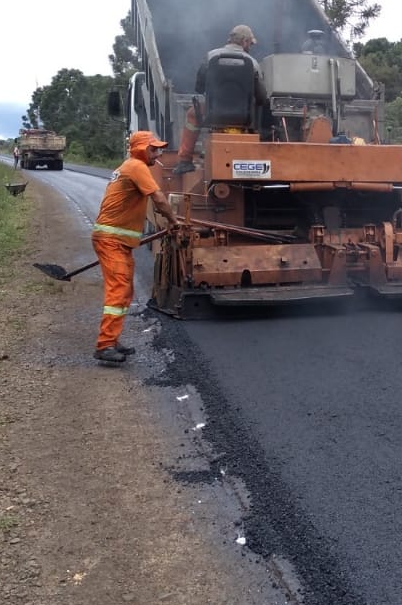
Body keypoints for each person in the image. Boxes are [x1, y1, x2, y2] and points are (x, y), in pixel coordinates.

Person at [91, 130, 182, 363]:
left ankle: (111, 339)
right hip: (111, 240)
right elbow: (159, 199)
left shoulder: (130, 166)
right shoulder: (136, 166)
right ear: (141, 149)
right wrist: (174, 221)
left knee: (125, 290)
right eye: (153, 149)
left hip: (118, 241)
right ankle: (104, 345)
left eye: (158, 148)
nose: (158, 153)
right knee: (118, 289)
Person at [173, 24, 269, 173]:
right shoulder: (253, 63)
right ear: (244, 42)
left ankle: (185, 161)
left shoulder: (210, 56)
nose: (250, 46)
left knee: (192, 114)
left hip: (213, 113)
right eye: (250, 43)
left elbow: (199, 88)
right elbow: (262, 98)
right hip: (244, 118)